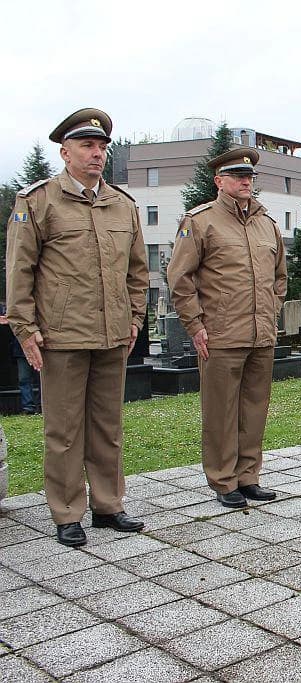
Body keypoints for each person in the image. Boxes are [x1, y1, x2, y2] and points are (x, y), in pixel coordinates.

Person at [5, 108, 149, 546]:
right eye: (87, 145)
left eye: (102, 146)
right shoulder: (38, 201)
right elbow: (19, 271)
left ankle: (108, 505)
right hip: (62, 335)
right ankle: (67, 511)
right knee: (64, 429)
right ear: (65, 152)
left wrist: (135, 318)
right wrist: (25, 330)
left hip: (112, 334)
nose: (97, 154)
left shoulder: (122, 204)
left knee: (108, 425)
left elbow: (138, 271)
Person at [167, 148, 287, 508]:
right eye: (237, 176)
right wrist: (196, 324)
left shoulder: (267, 224)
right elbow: (180, 278)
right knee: (221, 411)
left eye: (249, 177)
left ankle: (249, 476)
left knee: (254, 408)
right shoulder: (200, 221)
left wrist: (271, 310)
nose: (245, 182)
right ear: (219, 181)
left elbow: (280, 278)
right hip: (219, 335)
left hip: (260, 333)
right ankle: (223, 480)